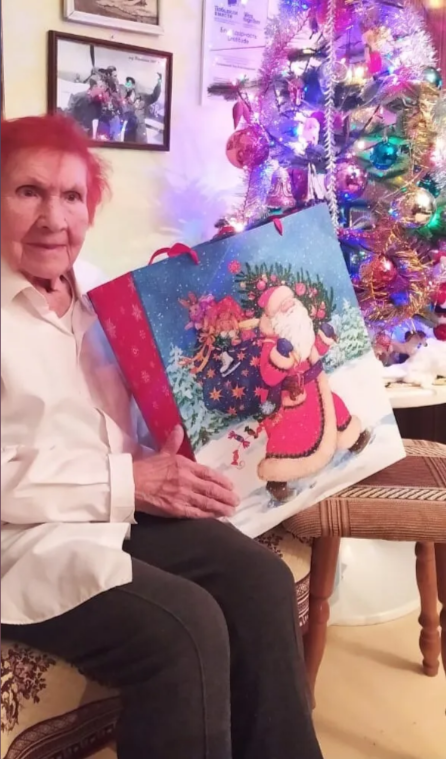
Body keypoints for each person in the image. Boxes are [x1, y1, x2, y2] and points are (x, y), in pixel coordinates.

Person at [1, 114, 325, 759]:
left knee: (260, 580)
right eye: (28, 191)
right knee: (185, 626)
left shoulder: (102, 292)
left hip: (121, 511)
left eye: (72, 196)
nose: (53, 218)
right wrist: (131, 480)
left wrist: (181, 438)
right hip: (26, 541)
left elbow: (131, 417)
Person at [256, 285, 370, 502]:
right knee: (290, 433)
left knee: (335, 407)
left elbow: (312, 349)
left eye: (291, 301)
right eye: (284, 306)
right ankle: (278, 479)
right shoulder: (272, 343)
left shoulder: (301, 330)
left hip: (317, 388)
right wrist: (280, 355)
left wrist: (324, 339)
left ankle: (353, 439)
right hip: (295, 397)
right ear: (274, 315)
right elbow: (269, 375)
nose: (291, 306)